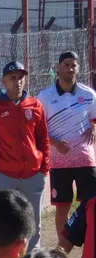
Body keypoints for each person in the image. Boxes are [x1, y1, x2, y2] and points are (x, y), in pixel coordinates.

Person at [0, 61, 49, 251]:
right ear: (3, 81)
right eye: (12, 78)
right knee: (1, 218)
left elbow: (44, 140)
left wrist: (43, 170)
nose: (17, 82)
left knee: (33, 222)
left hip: (33, 176)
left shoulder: (35, 106)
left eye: (20, 78)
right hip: (4, 176)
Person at [38, 51, 96, 239]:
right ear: (58, 67)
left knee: (90, 206)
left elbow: (94, 119)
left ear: (78, 68)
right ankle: (62, 251)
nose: (70, 68)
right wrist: (55, 143)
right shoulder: (45, 96)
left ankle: (89, 246)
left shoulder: (89, 94)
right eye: (66, 65)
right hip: (58, 162)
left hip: (86, 160)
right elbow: (38, 129)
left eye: (74, 65)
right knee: (62, 208)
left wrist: (94, 129)